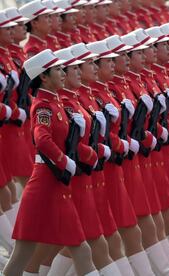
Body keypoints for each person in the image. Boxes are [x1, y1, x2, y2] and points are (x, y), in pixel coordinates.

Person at [3, 49, 99, 276]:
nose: (63, 73)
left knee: (74, 248)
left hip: (56, 185)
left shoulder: (56, 104)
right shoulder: (43, 106)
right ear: (43, 77)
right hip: (45, 185)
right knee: (23, 254)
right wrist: (64, 161)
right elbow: (42, 139)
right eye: (57, 70)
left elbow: (66, 140)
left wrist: (89, 153)